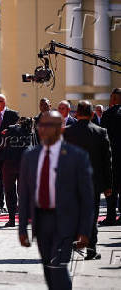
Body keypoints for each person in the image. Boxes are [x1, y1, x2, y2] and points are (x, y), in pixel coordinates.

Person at [19, 111, 94, 290]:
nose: (43, 130)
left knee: (57, 268)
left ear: (60, 129)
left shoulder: (77, 156)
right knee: (48, 268)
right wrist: (22, 228)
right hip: (41, 220)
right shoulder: (30, 156)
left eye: (48, 125)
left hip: (66, 221)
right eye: (41, 125)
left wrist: (85, 230)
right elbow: (25, 194)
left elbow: (87, 197)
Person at [63, 100, 112, 260]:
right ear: (92, 114)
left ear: (76, 113)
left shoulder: (67, 132)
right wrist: (108, 185)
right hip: (94, 182)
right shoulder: (100, 132)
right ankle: (91, 249)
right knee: (93, 215)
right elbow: (107, 161)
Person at [1, 117, 34, 227]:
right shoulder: (31, 133)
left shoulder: (11, 129)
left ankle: (11, 219)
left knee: (10, 192)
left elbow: (3, 143)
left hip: (10, 163)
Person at [100, 88, 121, 226]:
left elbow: (103, 137)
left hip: (112, 157)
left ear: (113, 98)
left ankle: (111, 216)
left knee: (111, 189)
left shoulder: (107, 114)